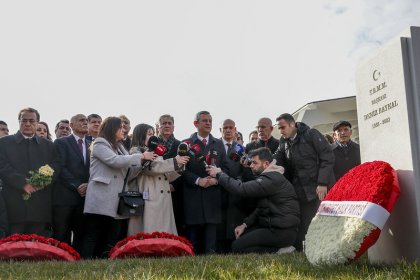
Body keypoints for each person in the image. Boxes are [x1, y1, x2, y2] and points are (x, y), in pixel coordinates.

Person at [81, 117, 156, 258]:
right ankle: (86, 261)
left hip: (117, 197)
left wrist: (143, 163)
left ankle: (106, 261)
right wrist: (140, 156)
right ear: (112, 128)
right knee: (93, 233)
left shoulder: (121, 146)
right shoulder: (100, 143)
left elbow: (128, 170)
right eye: (121, 127)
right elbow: (114, 161)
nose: (124, 130)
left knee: (112, 235)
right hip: (101, 196)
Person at [207, 147, 300, 253]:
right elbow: (262, 207)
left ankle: (280, 250)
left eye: (254, 163)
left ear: (266, 164)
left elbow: (240, 188)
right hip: (278, 228)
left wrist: (219, 174)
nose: (251, 165)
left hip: (282, 232)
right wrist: (245, 225)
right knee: (239, 240)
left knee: (237, 247)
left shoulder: (271, 179)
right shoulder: (271, 176)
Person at [274, 113, 335, 252]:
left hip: (320, 188)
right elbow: (276, 160)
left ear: (292, 124)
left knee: (325, 221)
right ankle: (310, 251)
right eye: (279, 129)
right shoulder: (284, 143)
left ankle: (328, 251)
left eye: (283, 127)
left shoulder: (311, 134)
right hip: (302, 191)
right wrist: (258, 163)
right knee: (307, 223)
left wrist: (322, 183)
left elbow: (327, 157)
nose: (281, 131)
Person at [0, 107, 60, 236]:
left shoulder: (49, 146)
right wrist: (23, 183)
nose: (27, 124)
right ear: (19, 121)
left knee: (37, 246)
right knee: (13, 246)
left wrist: (42, 182)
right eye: (24, 120)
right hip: (13, 203)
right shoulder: (4, 143)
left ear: (37, 122)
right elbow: (3, 166)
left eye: (31, 121)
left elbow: (56, 166)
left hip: (40, 203)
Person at [127, 124, 189, 235]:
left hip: (163, 198)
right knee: (149, 231)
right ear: (141, 136)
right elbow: (150, 169)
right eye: (150, 134)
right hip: (148, 197)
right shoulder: (136, 152)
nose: (153, 137)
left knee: (164, 231)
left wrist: (179, 167)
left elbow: (166, 176)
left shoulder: (157, 152)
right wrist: (174, 161)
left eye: (153, 134)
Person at [182, 111, 228, 254]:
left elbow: (225, 167)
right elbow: (181, 169)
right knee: (193, 239)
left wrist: (216, 179)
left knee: (211, 238)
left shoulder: (219, 144)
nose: (208, 123)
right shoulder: (186, 144)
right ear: (196, 124)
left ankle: (211, 255)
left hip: (212, 194)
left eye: (210, 120)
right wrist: (198, 180)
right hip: (193, 194)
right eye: (204, 121)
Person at [53, 114, 90, 252]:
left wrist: (88, 185)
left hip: (85, 197)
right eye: (81, 120)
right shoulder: (61, 143)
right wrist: (76, 185)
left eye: (86, 120)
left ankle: (78, 259)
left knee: (81, 232)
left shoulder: (92, 143)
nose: (85, 122)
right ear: (71, 125)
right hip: (65, 197)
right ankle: (60, 258)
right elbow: (60, 167)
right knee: (62, 233)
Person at [156, 114, 184, 236]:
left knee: (175, 220)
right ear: (158, 126)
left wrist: (174, 185)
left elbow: (184, 167)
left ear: (173, 126)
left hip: (174, 191)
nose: (167, 125)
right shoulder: (152, 143)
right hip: (155, 189)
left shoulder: (181, 145)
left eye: (169, 123)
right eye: (164, 123)